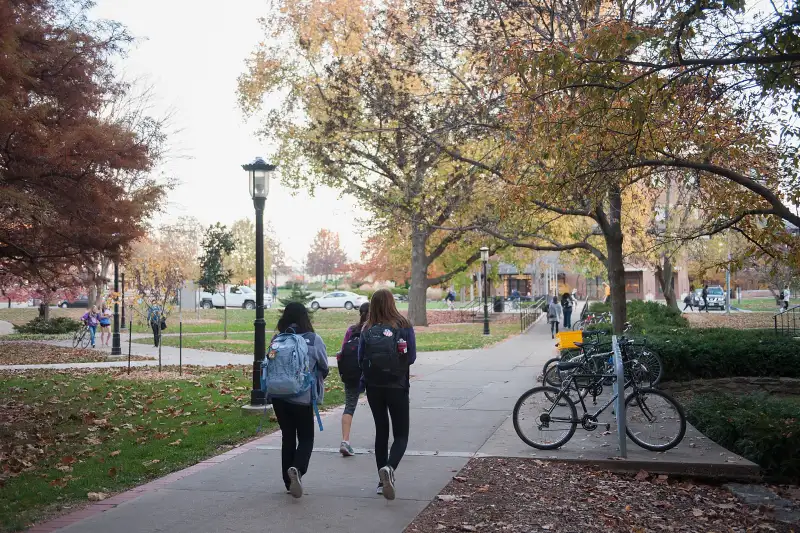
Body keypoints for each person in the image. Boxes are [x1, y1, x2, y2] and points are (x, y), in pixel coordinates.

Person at [358, 288, 416, 501]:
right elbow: (412, 357)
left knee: (381, 432)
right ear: (392, 303)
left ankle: (381, 482)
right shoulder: (404, 326)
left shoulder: (367, 328)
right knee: (401, 435)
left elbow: (360, 358)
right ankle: (390, 468)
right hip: (397, 385)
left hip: (374, 387)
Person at [268, 302, 329, 498]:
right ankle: (298, 469)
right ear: (305, 318)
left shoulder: (277, 339)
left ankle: (288, 482)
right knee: (306, 437)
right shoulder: (313, 339)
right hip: (302, 397)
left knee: (288, 437)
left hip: (278, 395)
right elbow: (324, 366)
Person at [337, 302, 369, 457]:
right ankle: (383, 440)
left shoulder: (352, 330)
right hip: (371, 374)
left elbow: (342, 352)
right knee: (381, 408)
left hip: (352, 374)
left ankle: (345, 441)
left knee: (349, 406)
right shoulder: (375, 330)